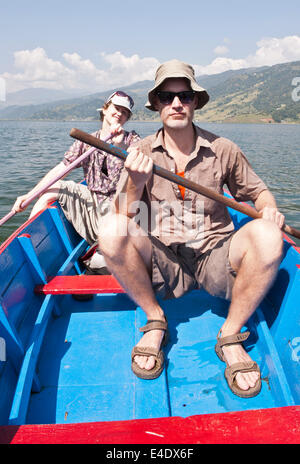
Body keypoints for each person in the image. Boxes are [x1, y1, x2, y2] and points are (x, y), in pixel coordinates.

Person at [98, 60, 285, 398]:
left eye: (184, 95)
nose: (176, 104)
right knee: (111, 229)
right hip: (163, 261)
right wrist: (135, 183)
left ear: (196, 101)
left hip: (216, 259)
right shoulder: (139, 152)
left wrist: (269, 209)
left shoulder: (223, 150)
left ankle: (230, 333)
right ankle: (155, 319)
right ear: (156, 103)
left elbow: (258, 193)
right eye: (167, 97)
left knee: (270, 235)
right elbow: (124, 214)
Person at [13, 91, 140, 264]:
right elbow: (61, 168)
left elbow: (136, 157)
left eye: (125, 112)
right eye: (116, 108)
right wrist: (30, 196)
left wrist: (120, 146)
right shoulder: (86, 140)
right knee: (53, 189)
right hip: (94, 203)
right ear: (105, 109)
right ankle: (25, 244)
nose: (120, 113)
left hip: (119, 212)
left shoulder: (132, 139)